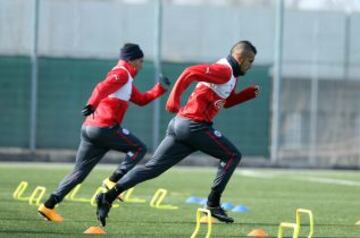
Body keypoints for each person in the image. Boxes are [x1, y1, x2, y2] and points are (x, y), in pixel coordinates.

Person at [95, 40, 259, 226]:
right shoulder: (224, 70)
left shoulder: (231, 74)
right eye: (250, 61)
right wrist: (173, 98)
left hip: (181, 125)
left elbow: (226, 102)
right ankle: (213, 204)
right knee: (232, 155)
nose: (251, 65)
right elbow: (189, 72)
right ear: (240, 58)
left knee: (152, 169)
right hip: (194, 126)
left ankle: (108, 196)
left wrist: (247, 94)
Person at [37, 43, 170, 222]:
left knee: (78, 173)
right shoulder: (121, 72)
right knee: (139, 149)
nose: (142, 65)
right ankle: (113, 181)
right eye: (140, 60)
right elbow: (102, 87)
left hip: (90, 129)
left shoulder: (126, 78)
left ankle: (48, 206)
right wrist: (92, 104)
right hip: (104, 128)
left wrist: (160, 88)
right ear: (131, 60)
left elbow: (141, 100)